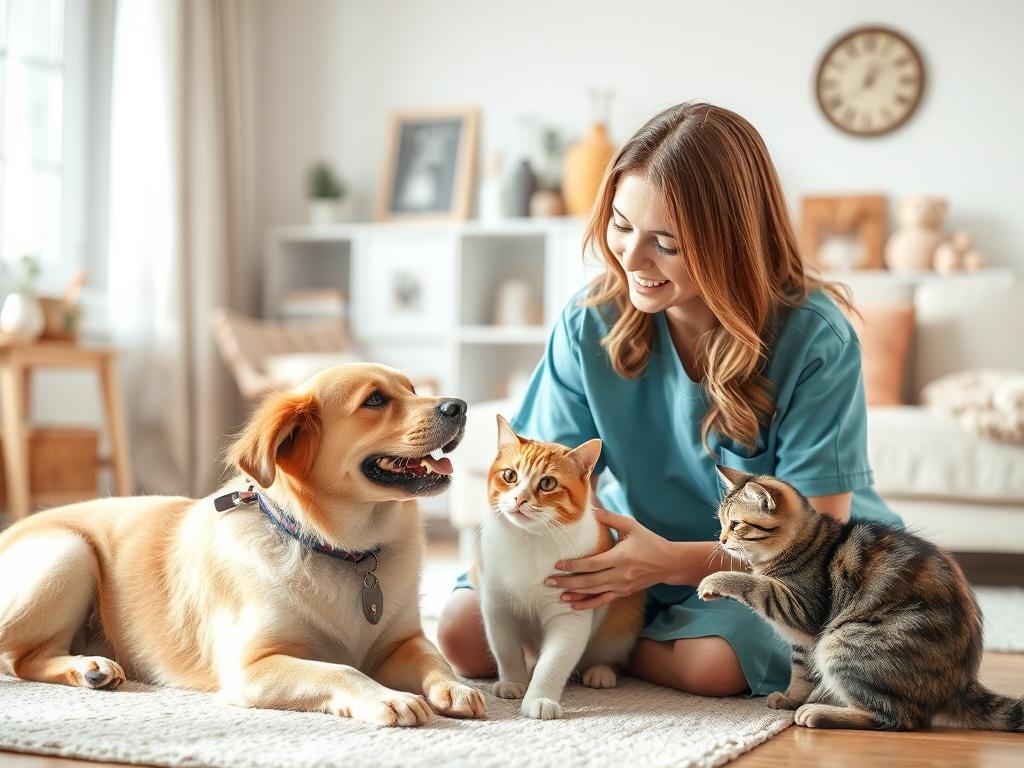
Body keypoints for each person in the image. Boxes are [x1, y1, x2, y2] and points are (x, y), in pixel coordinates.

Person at [437, 102, 900, 697]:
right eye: (621, 224)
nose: (630, 259)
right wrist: (590, 569)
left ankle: (618, 648)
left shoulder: (815, 335)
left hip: (773, 567)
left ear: (732, 243)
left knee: (712, 665)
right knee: (463, 636)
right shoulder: (590, 321)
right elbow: (549, 472)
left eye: (666, 243)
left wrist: (667, 564)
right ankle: (614, 642)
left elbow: (817, 539)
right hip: (625, 554)